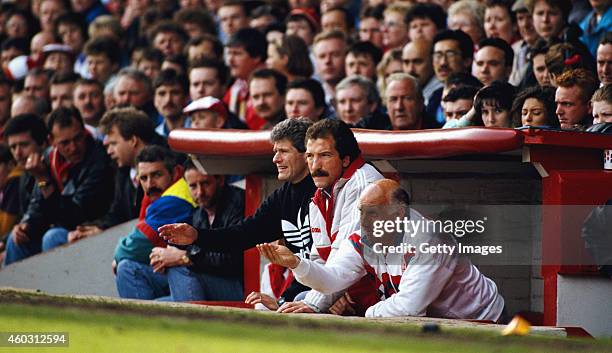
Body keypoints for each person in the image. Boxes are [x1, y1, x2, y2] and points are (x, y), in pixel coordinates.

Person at [257, 179, 506, 320]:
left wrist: (366, 313)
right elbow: (332, 279)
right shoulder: (365, 232)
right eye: (361, 212)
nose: (363, 221)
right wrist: (297, 264)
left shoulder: (430, 240)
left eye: (372, 213)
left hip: (482, 318)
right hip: (441, 321)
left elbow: (409, 308)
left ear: (398, 214)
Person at [159, 118, 317, 309]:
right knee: (262, 306)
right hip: (304, 290)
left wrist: (286, 300)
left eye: (283, 151)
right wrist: (197, 236)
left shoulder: (322, 191)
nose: (275, 159)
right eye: (275, 152)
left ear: (306, 154)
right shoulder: (283, 196)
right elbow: (243, 234)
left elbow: (330, 259)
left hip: (325, 289)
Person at [3, 107, 114, 265]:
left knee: (52, 237)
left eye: (77, 138)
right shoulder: (49, 159)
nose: (73, 148)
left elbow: (75, 214)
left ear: (84, 132)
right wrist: (26, 224)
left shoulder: (99, 159)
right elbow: (37, 205)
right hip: (62, 226)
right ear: (51, 141)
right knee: (17, 240)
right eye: (65, 143)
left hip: (90, 229)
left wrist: (43, 180)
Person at [67, 107, 164, 242]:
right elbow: (117, 214)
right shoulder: (124, 171)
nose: (109, 151)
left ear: (133, 141)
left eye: (113, 144)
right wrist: (98, 228)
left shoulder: (165, 166)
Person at [113, 145, 193, 300]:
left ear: (175, 172)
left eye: (156, 175)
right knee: (127, 268)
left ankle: (141, 322)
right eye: (144, 178)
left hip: (190, 277)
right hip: (180, 273)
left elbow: (133, 247)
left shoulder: (173, 200)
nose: (150, 184)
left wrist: (117, 257)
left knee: (126, 268)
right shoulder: (162, 196)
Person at [164, 159, 246, 301]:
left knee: (179, 270)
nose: (200, 192)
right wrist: (163, 256)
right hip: (207, 281)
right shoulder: (199, 213)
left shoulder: (238, 203)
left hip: (240, 287)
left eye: (205, 183)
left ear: (220, 179)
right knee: (129, 269)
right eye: (193, 186)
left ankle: (193, 322)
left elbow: (232, 260)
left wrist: (185, 258)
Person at [402, 39, 442, 107]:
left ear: (432, 61)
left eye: (417, 62)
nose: (410, 69)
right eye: (406, 62)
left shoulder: (442, 93)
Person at [153, 69, 190, 138]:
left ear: (187, 97)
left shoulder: (198, 131)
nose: (168, 100)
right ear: (154, 99)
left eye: (175, 93)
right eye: (162, 93)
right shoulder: (154, 136)